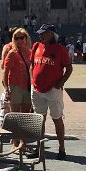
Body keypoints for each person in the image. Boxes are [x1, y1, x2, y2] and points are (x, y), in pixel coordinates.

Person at [31, 24, 73, 159]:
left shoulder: (60, 49)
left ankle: (62, 148)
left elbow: (69, 68)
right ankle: (39, 149)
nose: (40, 35)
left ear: (50, 34)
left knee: (57, 119)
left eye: (43, 33)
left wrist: (60, 83)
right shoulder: (36, 46)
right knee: (39, 119)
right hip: (37, 89)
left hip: (53, 90)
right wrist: (33, 79)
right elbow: (33, 64)